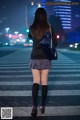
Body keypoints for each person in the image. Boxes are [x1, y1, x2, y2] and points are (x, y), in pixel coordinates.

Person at [28, 7, 58, 116]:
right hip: (46, 57)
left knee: (36, 81)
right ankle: (43, 105)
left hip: (35, 57)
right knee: (44, 82)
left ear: (35, 16)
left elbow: (30, 37)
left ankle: (34, 106)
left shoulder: (32, 28)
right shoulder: (49, 27)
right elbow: (55, 42)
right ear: (45, 16)